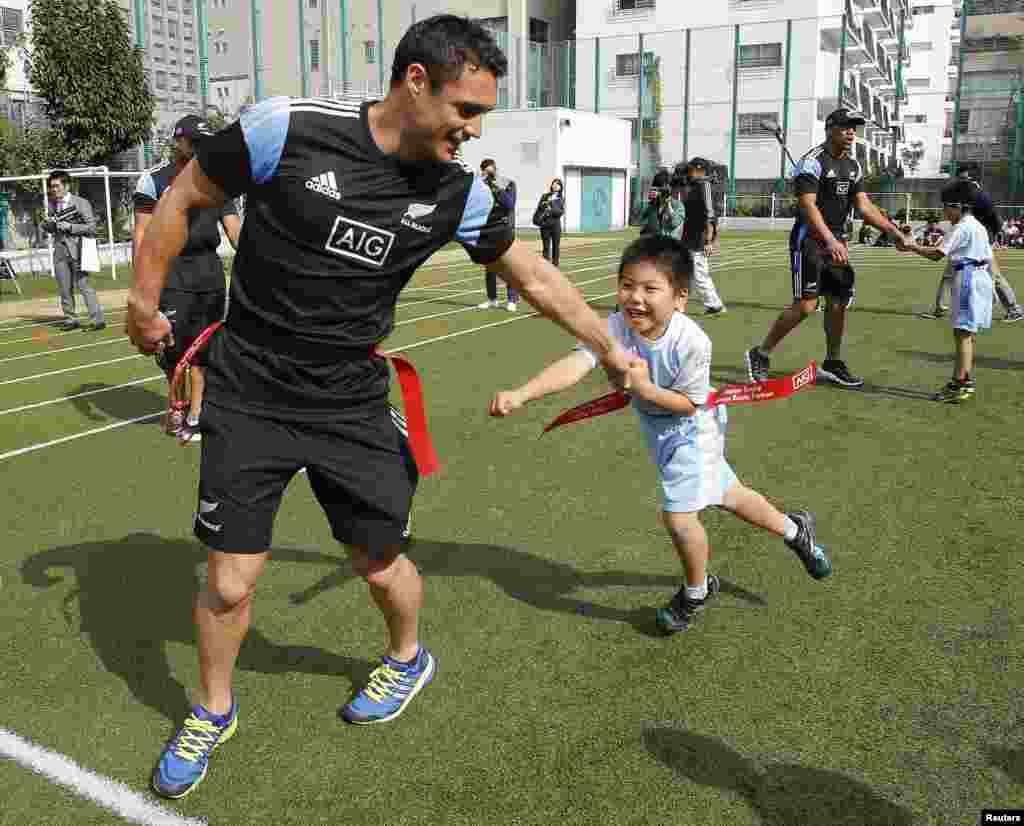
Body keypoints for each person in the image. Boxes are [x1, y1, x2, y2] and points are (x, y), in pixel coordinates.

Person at [126, 14, 631, 800]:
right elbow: (184, 196)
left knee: (377, 560)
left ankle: (405, 658)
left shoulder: (456, 192)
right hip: (250, 391)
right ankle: (213, 709)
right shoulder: (286, 130)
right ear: (416, 82)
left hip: (350, 403)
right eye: (465, 112)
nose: (471, 132)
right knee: (229, 580)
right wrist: (142, 299)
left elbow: (531, 275)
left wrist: (609, 346)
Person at [490, 235, 831, 635]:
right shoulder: (614, 326)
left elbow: (689, 403)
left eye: (650, 288)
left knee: (679, 515)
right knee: (727, 493)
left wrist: (644, 389)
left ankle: (697, 591)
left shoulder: (691, 342)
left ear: (680, 298)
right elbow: (577, 362)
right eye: (627, 285)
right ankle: (795, 531)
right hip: (660, 431)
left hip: (693, 428)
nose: (635, 297)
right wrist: (523, 393)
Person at [744, 109, 907, 388]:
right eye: (845, 127)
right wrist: (830, 239)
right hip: (809, 241)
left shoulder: (853, 166)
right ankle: (760, 353)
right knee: (806, 306)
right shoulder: (812, 162)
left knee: (837, 303)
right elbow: (808, 206)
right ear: (830, 128)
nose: (851, 133)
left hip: (837, 243)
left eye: (854, 128)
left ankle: (832, 361)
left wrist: (892, 231)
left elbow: (864, 206)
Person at [133, 115, 242, 443]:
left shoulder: (217, 179)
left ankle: (196, 414)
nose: (199, 148)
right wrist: (142, 281)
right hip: (172, 270)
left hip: (209, 272)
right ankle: (177, 403)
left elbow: (235, 228)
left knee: (205, 350)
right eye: (194, 141)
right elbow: (141, 234)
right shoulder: (153, 179)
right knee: (172, 348)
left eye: (204, 142)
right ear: (178, 141)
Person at [902, 179, 994, 402]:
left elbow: (936, 255)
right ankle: (964, 379)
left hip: (968, 277)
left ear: (958, 206)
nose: (944, 211)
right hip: (980, 276)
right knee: (968, 333)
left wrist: (911, 246)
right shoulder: (977, 225)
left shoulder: (962, 227)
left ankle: (959, 384)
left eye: (946, 206)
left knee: (962, 332)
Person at [42, 171, 105, 332]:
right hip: (60, 251)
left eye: (56, 186)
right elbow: (52, 229)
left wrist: (70, 227)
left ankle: (97, 319)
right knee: (64, 287)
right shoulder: (51, 204)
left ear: (66, 186)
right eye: (51, 187)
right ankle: (71, 318)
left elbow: (92, 227)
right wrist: (47, 224)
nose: (53, 189)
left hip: (79, 249)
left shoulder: (80, 203)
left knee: (84, 285)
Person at [958, 172, 1023, 323]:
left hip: (982, 240)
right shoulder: (967, 196)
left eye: (963, 180)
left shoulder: (979, 196)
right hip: (975, 240)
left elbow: (996, 219)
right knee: (975, 274)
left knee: (993, 274)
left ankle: (1013, 309)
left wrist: (990, 237)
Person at [678, 158, 726, 316]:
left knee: (699, 273)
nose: (689, 172)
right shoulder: (694, 186)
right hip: (688, 237)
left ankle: (715, 305)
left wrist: (709, 241)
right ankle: (679, 304)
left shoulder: (704, 186)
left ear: (699, 170)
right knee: (684, 271)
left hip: (698, 239)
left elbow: (710, 216)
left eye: (691, 169)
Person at [476, 157, 519, 310]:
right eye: (484, 171)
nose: (487, 174)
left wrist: (494, 186)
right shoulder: (480, 185)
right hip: (488, 229)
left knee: (508, 266)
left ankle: (512, 299)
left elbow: (509, 204)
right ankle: (492, 298)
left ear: (495, 169)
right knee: (490, 267)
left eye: (490, 170)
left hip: (504, 228)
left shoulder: (507, 183)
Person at [638, 168, 684, 240]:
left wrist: (668, 204)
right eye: (659, 189)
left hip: (670, 247)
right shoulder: (652, 207)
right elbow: (643, 226)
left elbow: (674, 223)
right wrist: (653, 202)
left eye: (665, 189)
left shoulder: (678, 206)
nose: (663, 192)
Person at [533, 177, 564, 266]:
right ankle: (545, 266)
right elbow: (539, 207)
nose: (555, 185)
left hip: (555, 226)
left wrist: (551, 207)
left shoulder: (561, 198)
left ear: (560, 187)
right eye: (554, 183)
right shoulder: (545, 196)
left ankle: (555, 265)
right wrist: (545, 205)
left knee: (555, 247)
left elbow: (560, 212)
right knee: (545, 247)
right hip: (545, 224)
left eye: (557, 184)